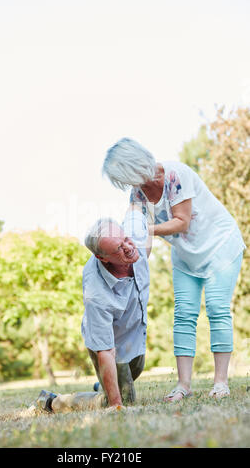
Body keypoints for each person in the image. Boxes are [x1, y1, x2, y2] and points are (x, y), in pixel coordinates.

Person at [102, 137, 245, 401]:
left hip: (220, 246)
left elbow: (182, 222)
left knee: (216, 308)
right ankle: (184, 385)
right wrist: (130, 260)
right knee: (183, 316)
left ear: (133, 166)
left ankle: (221, 382)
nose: (127, 185)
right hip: (186, 256)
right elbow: (137, 238)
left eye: (124, 176)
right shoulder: (138, 193)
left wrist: (145, 230)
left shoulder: (175, 175)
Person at [34, 202, 153, 414]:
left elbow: (139, 208)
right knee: (123, 398)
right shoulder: (97, 293)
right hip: (111, 342)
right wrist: (116, 406)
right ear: (102, 258)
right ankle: (52, 401)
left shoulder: (132, 238)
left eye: (125, 239)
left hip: (135, 331)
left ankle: (105, 384)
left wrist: (140, 199)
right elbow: (106, 351)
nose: (128, 247)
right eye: (118, 248)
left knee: (137, 368)